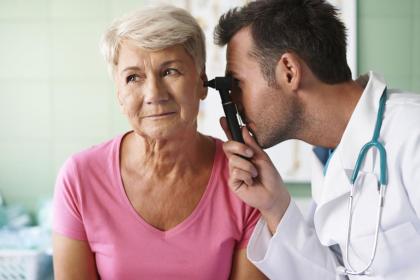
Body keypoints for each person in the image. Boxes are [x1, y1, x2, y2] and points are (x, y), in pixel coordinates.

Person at [52, 5, 268, 280]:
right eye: (133, 78)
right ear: (119, 94)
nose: (154, 94)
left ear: (202, 81)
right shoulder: (80, 179)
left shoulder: (244, 179)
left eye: (170, 71)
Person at [213, 0, 420, 279]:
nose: (233, 102)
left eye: (237, 84)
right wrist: (275, 206)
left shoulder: (412, 132)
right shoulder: (330, 160)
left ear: (289, 70)